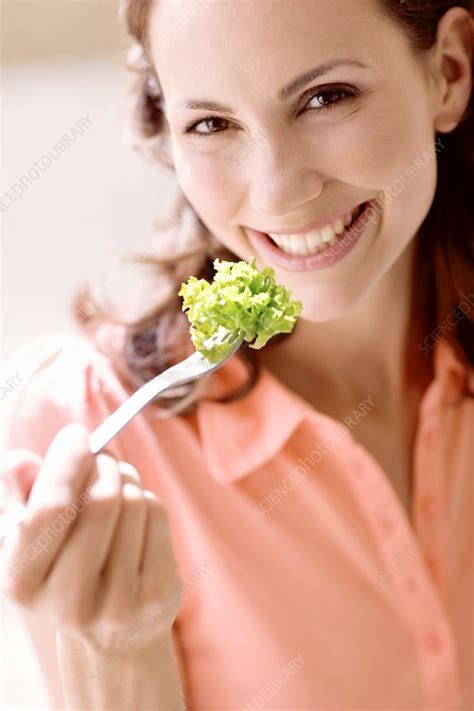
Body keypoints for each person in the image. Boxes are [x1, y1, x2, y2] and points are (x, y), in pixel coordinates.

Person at [1, 0, 473, 708]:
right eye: (213, 123)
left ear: (448, 70)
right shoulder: (90, 429)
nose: (280, 190)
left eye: (326, 97)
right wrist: (119, 655)